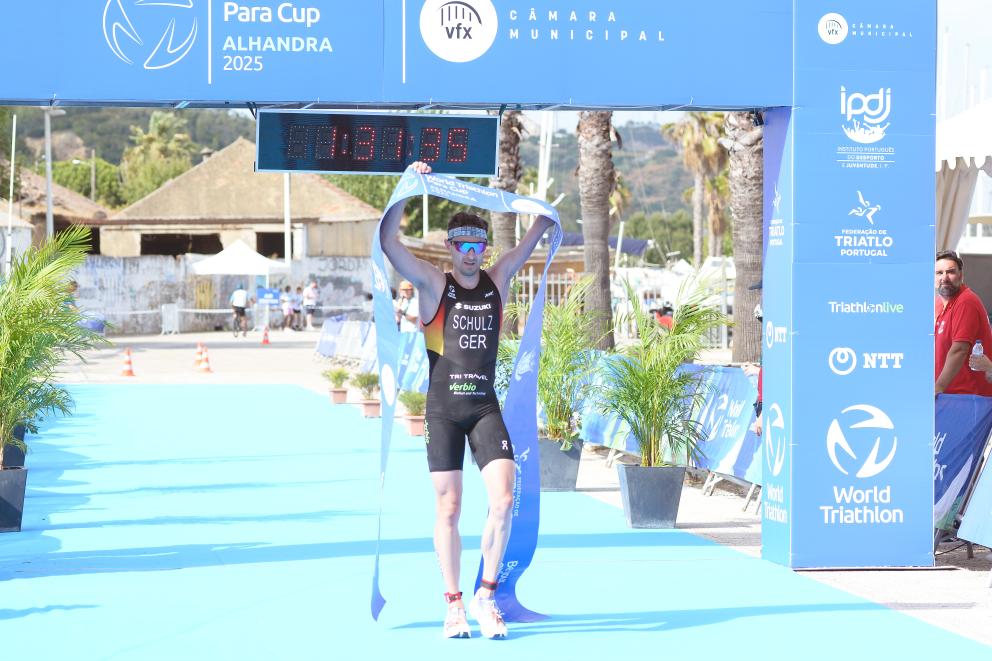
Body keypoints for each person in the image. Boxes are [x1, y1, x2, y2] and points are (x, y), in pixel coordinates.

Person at [380, 162, 554, 640]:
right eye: (464, 246)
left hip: (482, 407)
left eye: (480, 246)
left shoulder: (497, 280)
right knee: (450, 508)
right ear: (450, 247)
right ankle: (453, 604)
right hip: (442, 411)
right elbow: (391, 244)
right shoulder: (436, 284)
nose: (473, 254)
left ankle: (486, 595)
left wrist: (543, 217)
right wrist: (406, 189)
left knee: (503, 499)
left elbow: (527, 243)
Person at [934, 250, 992, 396]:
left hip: (969, 398)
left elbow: (959, 350)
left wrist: (937, 388)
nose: (944, 278)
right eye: (939, 273)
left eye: (950, 272)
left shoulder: (966, 302)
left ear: (961, 275)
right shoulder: (938, 304)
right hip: (949, 397)